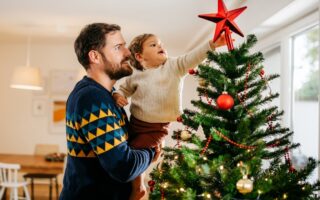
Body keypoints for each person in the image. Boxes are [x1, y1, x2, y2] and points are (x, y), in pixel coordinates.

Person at [113, 33, 227, 200]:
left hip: (157, 127)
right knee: (129, 146)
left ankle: (139, 188)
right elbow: (122, 90)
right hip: (135, 123)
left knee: (134, 152)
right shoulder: (134, 74)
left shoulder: (173, 66)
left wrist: (212, 44)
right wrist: (117, 96)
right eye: (153, 45)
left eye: (161, 43)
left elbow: (192, 57)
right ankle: (156, 149)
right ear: (139, 56)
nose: (161, 46)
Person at [59, 23, 160, 200]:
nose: (128, 52)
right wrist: (151, 151)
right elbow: (124, 167)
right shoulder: (91, 97)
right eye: (118, 47)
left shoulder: (107, 95)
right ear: (95, 56)